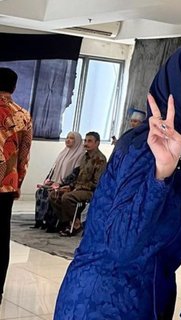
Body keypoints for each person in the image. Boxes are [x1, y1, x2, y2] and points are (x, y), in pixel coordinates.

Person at [53, 42, 181, 319]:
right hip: (102, 302)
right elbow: (120, 245)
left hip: (149, 299)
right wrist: (160, 174)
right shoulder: (148, 147)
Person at [0, 67, 32, 305]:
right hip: (6, 185)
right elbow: (24, 155)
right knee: (2, 237)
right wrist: (18, 182)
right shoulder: (23, 115)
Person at [48, 131, 107, 236]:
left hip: (90, 191)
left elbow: (97, 183)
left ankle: (75, 225)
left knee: (67, 197)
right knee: (54, 194)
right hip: (78, 188)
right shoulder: (84, 157)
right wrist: (70, 186)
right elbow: (78, 177)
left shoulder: (100, 159)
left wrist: (78, 188)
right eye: (85, 140)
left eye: (90, 141)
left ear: (97, 143)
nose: (86, 143)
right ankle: (69, 222)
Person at [32, 131, 84, 229]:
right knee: (41, 192)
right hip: (55, 183)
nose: (68, 140)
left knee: (52, 194)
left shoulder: (80, 155)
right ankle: (40, 220)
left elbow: (75, 175)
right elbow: (53, 169)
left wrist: (61, 184)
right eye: (67, 137)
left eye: (71, 138)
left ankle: (51, 223)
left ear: (77, 141)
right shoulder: (63, 152)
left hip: (67, 185)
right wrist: (48, 180)